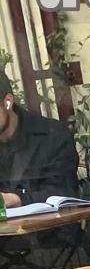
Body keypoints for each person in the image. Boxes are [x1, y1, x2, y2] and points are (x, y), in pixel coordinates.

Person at [0, 68, 81, 207]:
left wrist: (17, 199)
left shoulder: (53, 136)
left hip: (50, 220)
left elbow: (65, 193)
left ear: (8, 102)